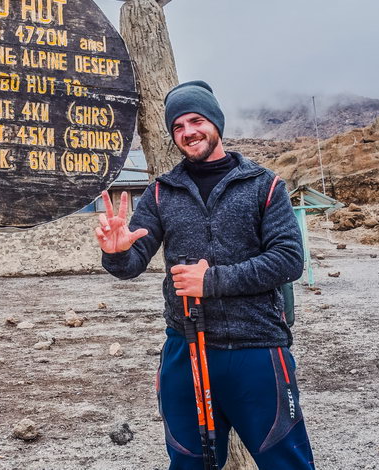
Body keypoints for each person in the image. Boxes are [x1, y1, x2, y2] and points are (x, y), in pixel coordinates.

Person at [96, 80, 316, 470]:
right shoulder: (162, 192)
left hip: (257, 349)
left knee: (287, 462)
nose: (188, 132)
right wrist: (116, 251)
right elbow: (131, 264)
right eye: (177, 127)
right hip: (185, 349)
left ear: (216, 122)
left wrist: (210, 282)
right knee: (187, 464)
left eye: (195, 120)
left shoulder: (264, 186)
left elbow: (288, 260)